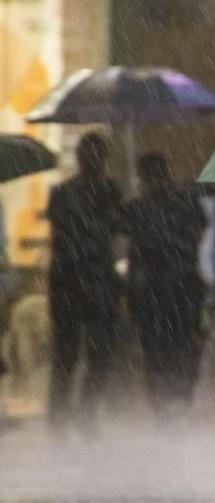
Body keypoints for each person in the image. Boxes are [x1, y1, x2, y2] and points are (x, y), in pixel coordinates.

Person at [45, 132, 124, 440]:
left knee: (72, 355)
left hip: (73, 281)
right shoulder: (106, 192)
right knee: (92, 354)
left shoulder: (64, 193)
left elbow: (62, 236)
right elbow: (116, 235)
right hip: (90, 281)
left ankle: (65, 416)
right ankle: (79, 414)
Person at [121, 153, 208, 423]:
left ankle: (163, 403)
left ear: (143, 176)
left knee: (157, 350)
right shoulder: (189, 203)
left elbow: (132, 251)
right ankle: (180, 398)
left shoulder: (136, 209)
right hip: (183, 288)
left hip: (154, 291)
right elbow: (200, 235)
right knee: (184, 345)